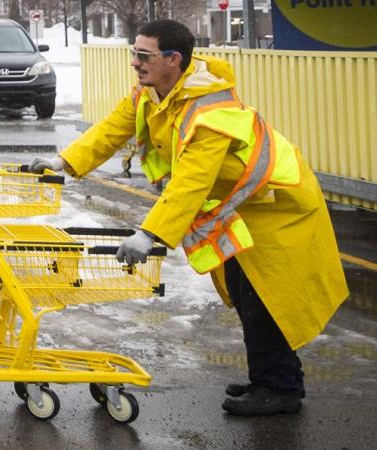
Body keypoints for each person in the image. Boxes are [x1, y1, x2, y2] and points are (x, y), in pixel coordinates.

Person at [29, 19, 348, 416]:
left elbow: (191, 182)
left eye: (143, 55)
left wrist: (150, 234)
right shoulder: (154, 94)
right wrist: (64, 161)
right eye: (134, 53)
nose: (135, 62)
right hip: (245, 207)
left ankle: (280, 388)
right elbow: (111, 131)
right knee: (246, 292)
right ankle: (271, 376)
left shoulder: (210, 112)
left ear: (173, 60)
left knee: (264, 297)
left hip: (277, 207)